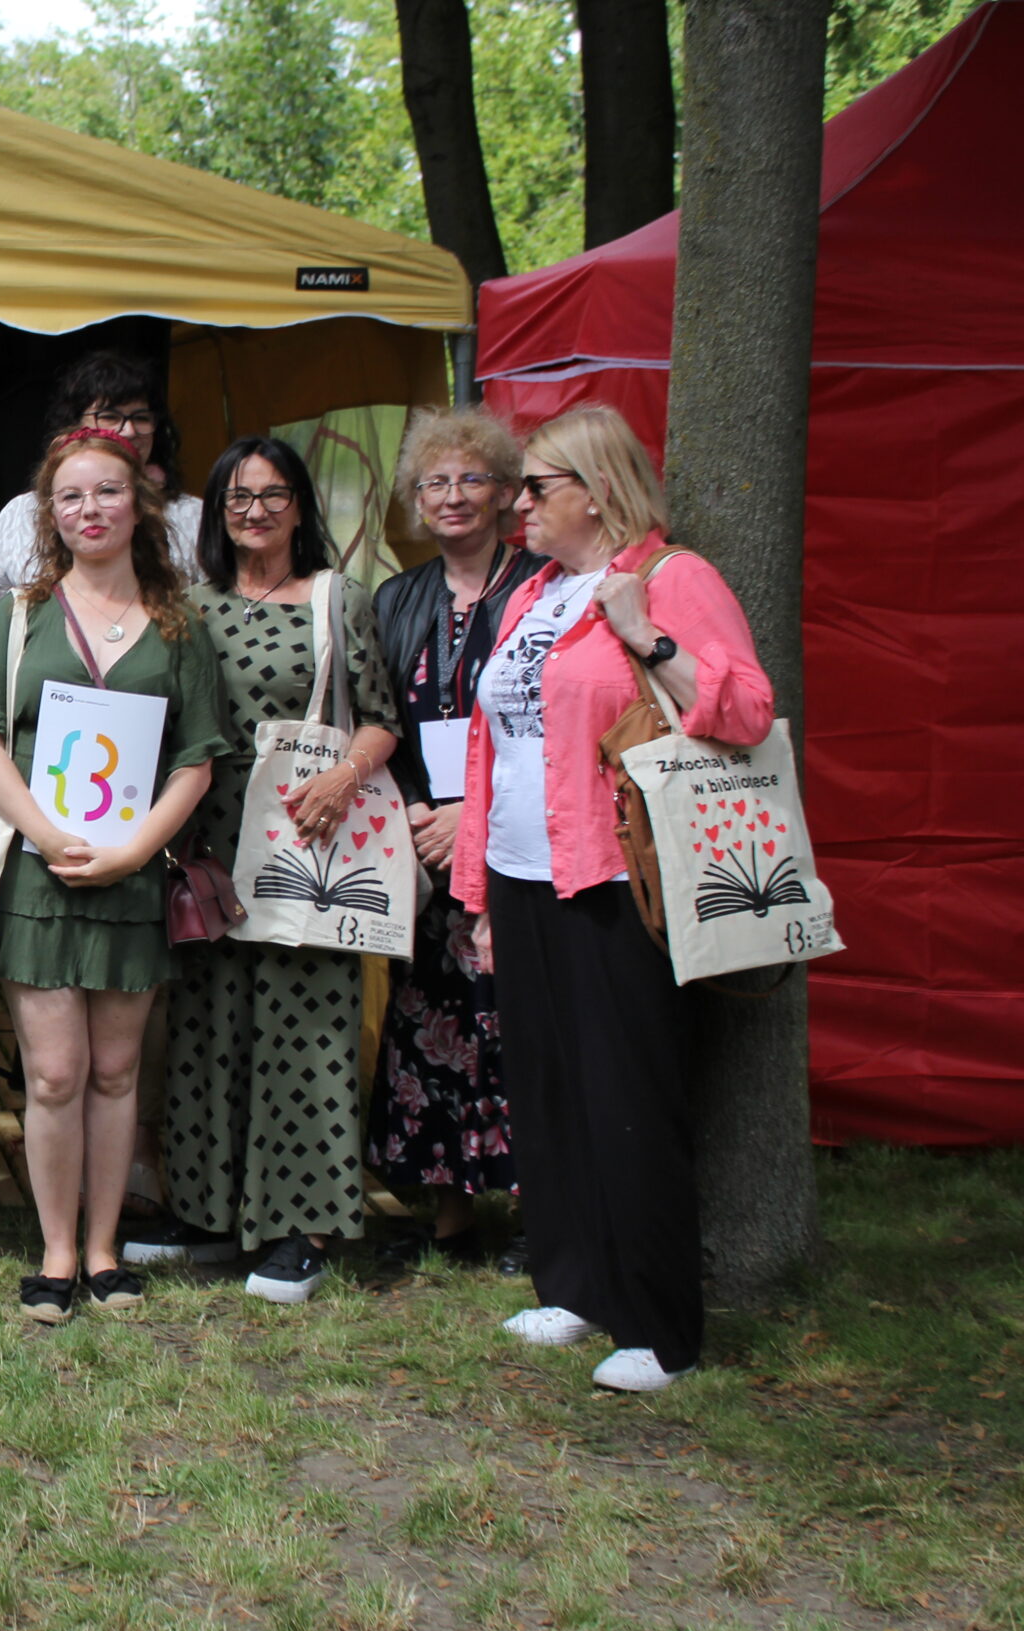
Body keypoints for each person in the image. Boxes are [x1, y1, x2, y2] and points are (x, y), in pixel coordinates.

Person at [456, 405, 773, 1393]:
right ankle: (576, 1282)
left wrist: (648, 637)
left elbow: (747, 710)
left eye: (535, 487)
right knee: (548, 1089)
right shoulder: (530, 596)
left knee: (627, 1094)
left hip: (610, 878)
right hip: (519, 876)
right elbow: (489, 749)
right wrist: (474, 890)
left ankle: (659, 1323)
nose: (516, 506)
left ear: (594, 491)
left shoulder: (672, 579)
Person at [0, 430, 232, 1324]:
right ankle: (55, 1249)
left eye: (106, 493)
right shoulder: (23, 612)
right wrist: (42, 831)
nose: (89, 510)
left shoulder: (177, 619)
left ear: (138, 505)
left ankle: (106, 1248)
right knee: (53, 1074)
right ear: (52, 514)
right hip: (40, 873)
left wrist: (132, 851)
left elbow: (196, 757)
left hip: (131, 873)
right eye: (71, 497)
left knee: (117, 1071)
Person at [158, 436, 399, 1305]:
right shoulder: (191, 606)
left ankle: (299, 1225)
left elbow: (381, 716)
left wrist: (345, 775)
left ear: (300, 503)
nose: (253, 510)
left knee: (303, 1031)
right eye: (236, 496)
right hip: (208, 848)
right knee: (208, 1031)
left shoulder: (339, 601)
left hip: (306, 839)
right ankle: (209, 1214)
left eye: (271, 494)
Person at [366, 409, 540, 1274]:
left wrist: (473, 812)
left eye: (471, 478)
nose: (452, 496)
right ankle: (449, 1219)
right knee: (428, 1020)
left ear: (508, 491)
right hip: (423, 848)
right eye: (435, 482)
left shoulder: (544, 591)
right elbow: (380, 721)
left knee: (521, 1026)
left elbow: (554, 729)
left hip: (517, 839)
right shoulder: (400, 597)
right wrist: (408, 811)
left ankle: (547, 1220)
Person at [0, 350, 202, 589]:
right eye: (109, 416)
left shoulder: (191, 515)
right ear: (75, 424)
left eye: (141, 417)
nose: (129, 430)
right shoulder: (22, 513)